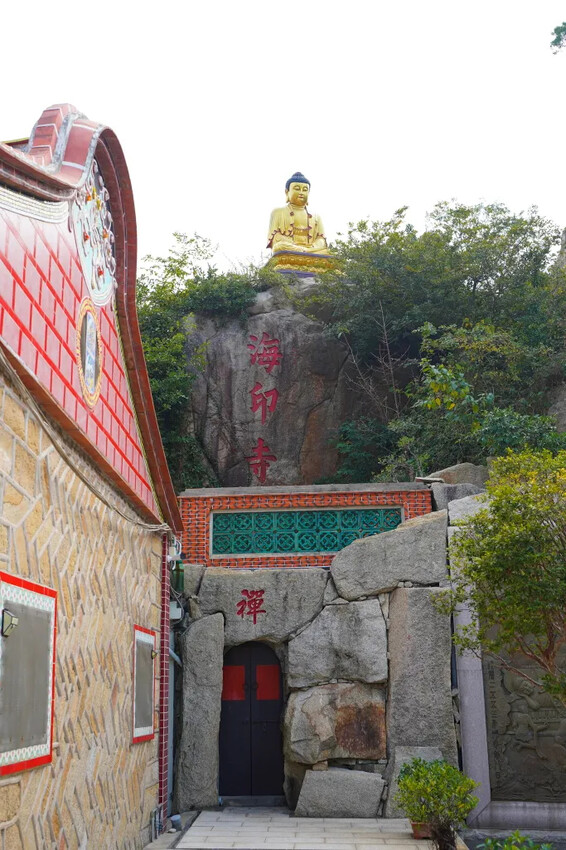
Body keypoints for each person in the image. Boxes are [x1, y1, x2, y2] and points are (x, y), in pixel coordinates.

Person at [267, 172, 328, 255]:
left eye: (305, 190)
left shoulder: (316, 216)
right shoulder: (277, 212)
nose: (301, 192)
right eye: (297, 189)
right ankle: (305, 252)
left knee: (327, 251)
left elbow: (321, 240)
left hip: (311, 249)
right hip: (289, 248)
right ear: (287, 192)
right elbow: (275, 238)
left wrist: (312, 247)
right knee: (279, 246)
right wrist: (296, 247)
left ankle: (306, 252)